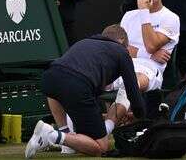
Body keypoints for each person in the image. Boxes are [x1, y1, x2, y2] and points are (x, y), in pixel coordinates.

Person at [24, 24, 146, 158]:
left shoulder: (85, 42)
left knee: (56, 86)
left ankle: (65, 137)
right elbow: (132, 89)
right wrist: (138, 114)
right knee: (101, 147)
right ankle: (53, 135)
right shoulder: (122, 52)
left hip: (50, 77)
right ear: (122, 41)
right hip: (77, 86)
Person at [104, 0, 180, 135]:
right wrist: (149, 53)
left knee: (133, 81)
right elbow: (119, 49)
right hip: (121, 65)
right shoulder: (129, 16)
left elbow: (152, 45)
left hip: (149, 71)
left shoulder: (171, 18)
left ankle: (106, 129)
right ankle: (70, 133)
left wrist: (145, 13)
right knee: (88, 78)